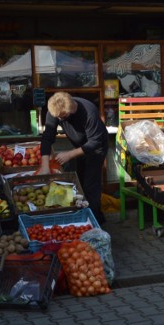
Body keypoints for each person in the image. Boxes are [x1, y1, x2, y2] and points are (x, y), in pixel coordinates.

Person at [39, 91, 109, 225]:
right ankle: (93, 216)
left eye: (62, 117)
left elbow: (95, 142)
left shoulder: (89, 112)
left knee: (90, 186)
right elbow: (48, 137)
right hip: (80, 145)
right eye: (57, 117)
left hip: (96, 147)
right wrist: (45, 166)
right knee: (80, 183)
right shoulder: (55, 110)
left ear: (71, 109)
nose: (60, 119)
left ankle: (93, 225)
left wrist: (70, 154)